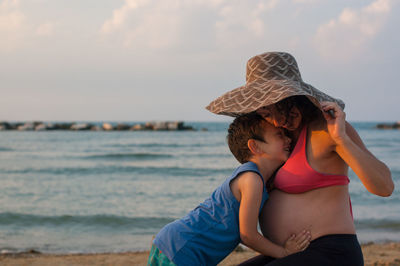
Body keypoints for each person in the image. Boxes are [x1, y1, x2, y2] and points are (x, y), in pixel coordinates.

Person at [206, 52, 394, 265]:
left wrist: (342, 139)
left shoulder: (327, 129)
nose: (276, 120)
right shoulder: (276, 141)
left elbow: (384, 187)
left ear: (296, 97)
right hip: (286, 253)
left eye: (279, 106)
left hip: (330, 253)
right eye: (265, 113)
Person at [147, 113, 311, 266]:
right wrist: (284, 252)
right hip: (184, 247)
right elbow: (247, 236)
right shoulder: (252, 179)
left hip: (176, 243)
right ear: (255, 146)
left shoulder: (259, 179)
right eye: (279, 135)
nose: (288, 139)